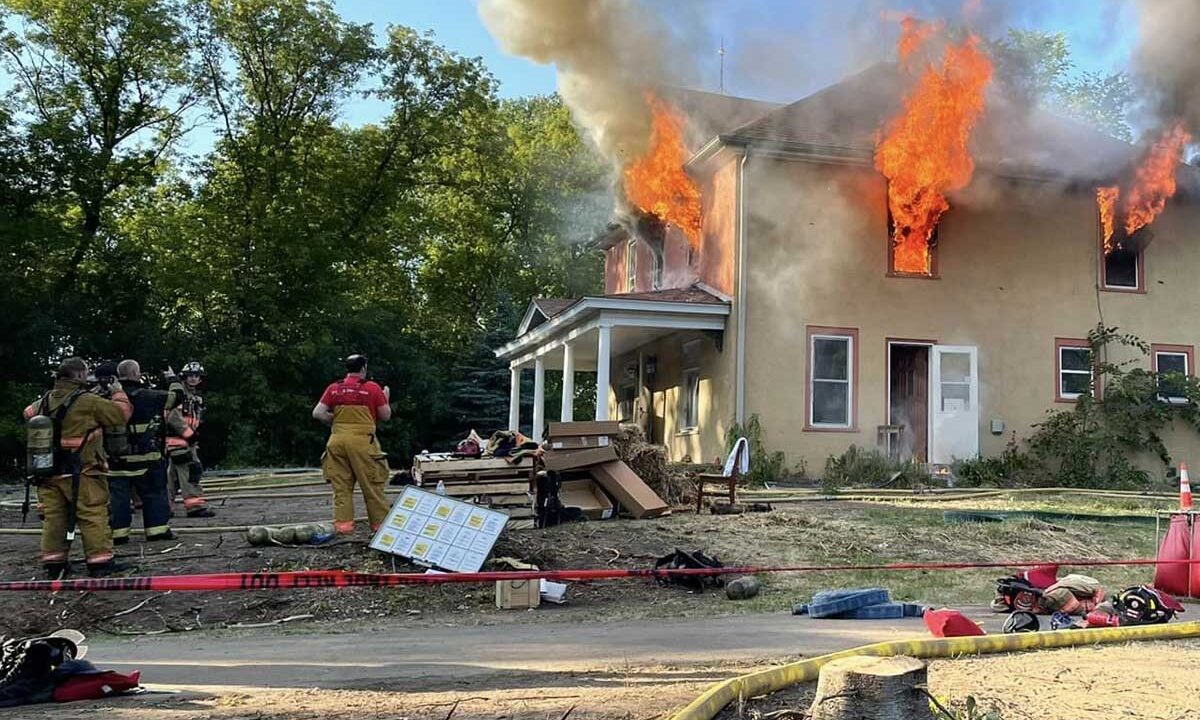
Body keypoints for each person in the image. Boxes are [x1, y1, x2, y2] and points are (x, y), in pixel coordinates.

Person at [23, 358, 132, 578]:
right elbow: (121, 415)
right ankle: (100, 562)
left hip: (48, 471)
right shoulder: (88, 401)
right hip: (82, 470)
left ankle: (54, 563)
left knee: (55, 518)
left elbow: (27, 413)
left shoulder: (44, 401)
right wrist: (118, 392)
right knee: (92, 513)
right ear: (80, 375)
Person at [312, 354, 392, 535]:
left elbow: (318, 413)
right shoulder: (372, 388)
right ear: (363, 368)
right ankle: (380, 528)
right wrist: (385, 398)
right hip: (363, 443)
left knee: (341, 487)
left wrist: (336, 422)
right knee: (372, 485)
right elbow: (385, 415)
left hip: (336, 442)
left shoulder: (334, 388)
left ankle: (343, 528)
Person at [106, 359, 180, 545]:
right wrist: (172, 378)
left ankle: (118, 534)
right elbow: (176, 397)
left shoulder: (108, 398)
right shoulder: (148, 396)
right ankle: (157, 531)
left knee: (119, 498)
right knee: (154, 493)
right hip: (147, 459)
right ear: (135, 374)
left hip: (116, 460)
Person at [164, 361, 214, 517]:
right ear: (184, 377)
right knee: (191, 472)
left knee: (171, 477)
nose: (193, 379)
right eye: (190, 375)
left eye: (196, 376)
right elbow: (172, 416)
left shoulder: (194, 397)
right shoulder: (180, 395)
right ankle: (195, 507)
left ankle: (163, 508)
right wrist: (189, 435)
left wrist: (193, 439)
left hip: (185, 441)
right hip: (180, 441)